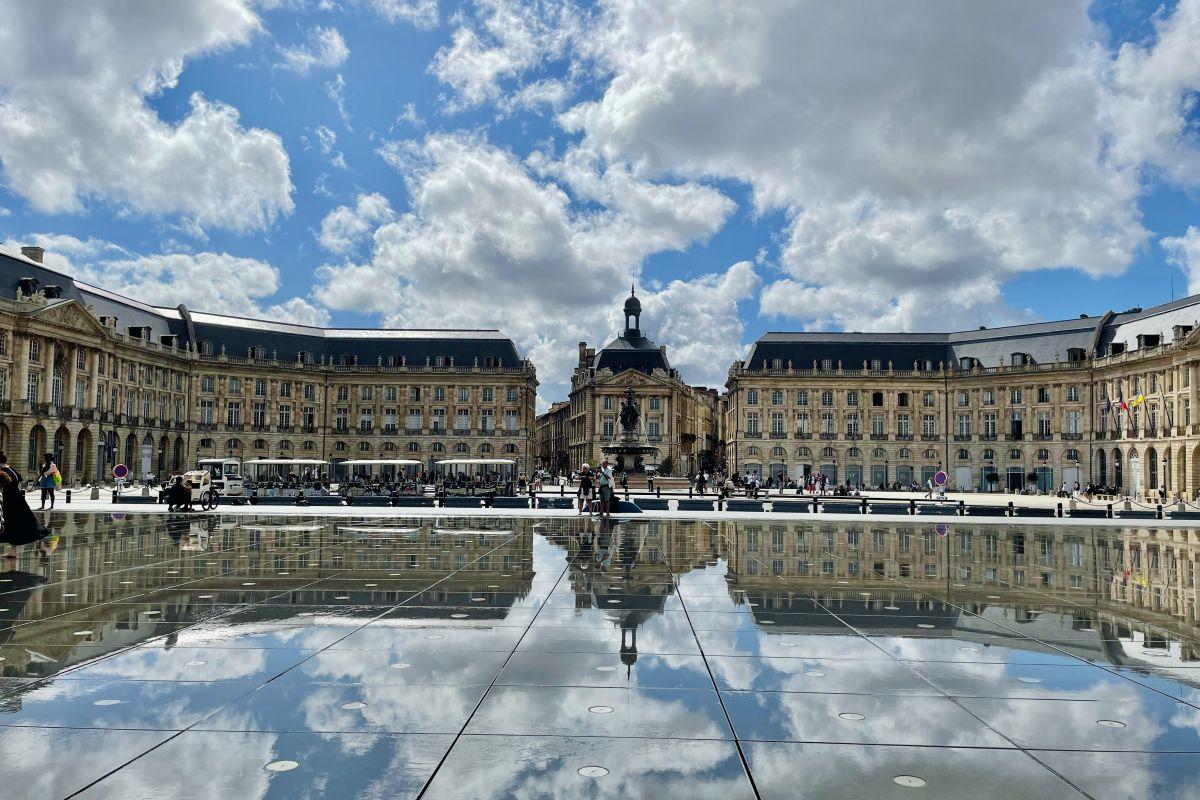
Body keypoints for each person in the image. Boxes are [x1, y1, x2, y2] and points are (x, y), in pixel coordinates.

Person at [1, 452, 52, 559]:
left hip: (8, 502)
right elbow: (18, 483)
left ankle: (38, 542)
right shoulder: (11, 469)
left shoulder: (3, 471)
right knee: (19, 524)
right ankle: (14, 550)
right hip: (18, 500)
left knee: (10, 526)